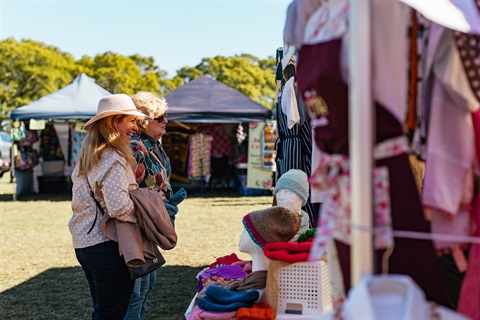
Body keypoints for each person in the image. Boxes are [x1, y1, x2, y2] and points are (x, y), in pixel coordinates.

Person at [68, 94, 151, 319]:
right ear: (115, 122)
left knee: (103, 309)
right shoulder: (112, 158)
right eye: (131, 121)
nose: (136, 127)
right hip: (107, 244)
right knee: (112, 313)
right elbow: (118, 208)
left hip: (85, 243)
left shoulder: (88, 156)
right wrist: (148, 212)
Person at [125, 91, 183, 319]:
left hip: (151, 224)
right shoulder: (135, 147)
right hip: (139, 224)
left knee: (146, 285)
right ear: (143, 120)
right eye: (160, 117)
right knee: (137, 289)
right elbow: (128, 190)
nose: (166, 121)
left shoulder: (152, 145)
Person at [273, 169, 311, 234]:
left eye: (288, 192)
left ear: (302, 196)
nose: (281, 197)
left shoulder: (310, 237)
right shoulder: (265, 227)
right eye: (278, 192)